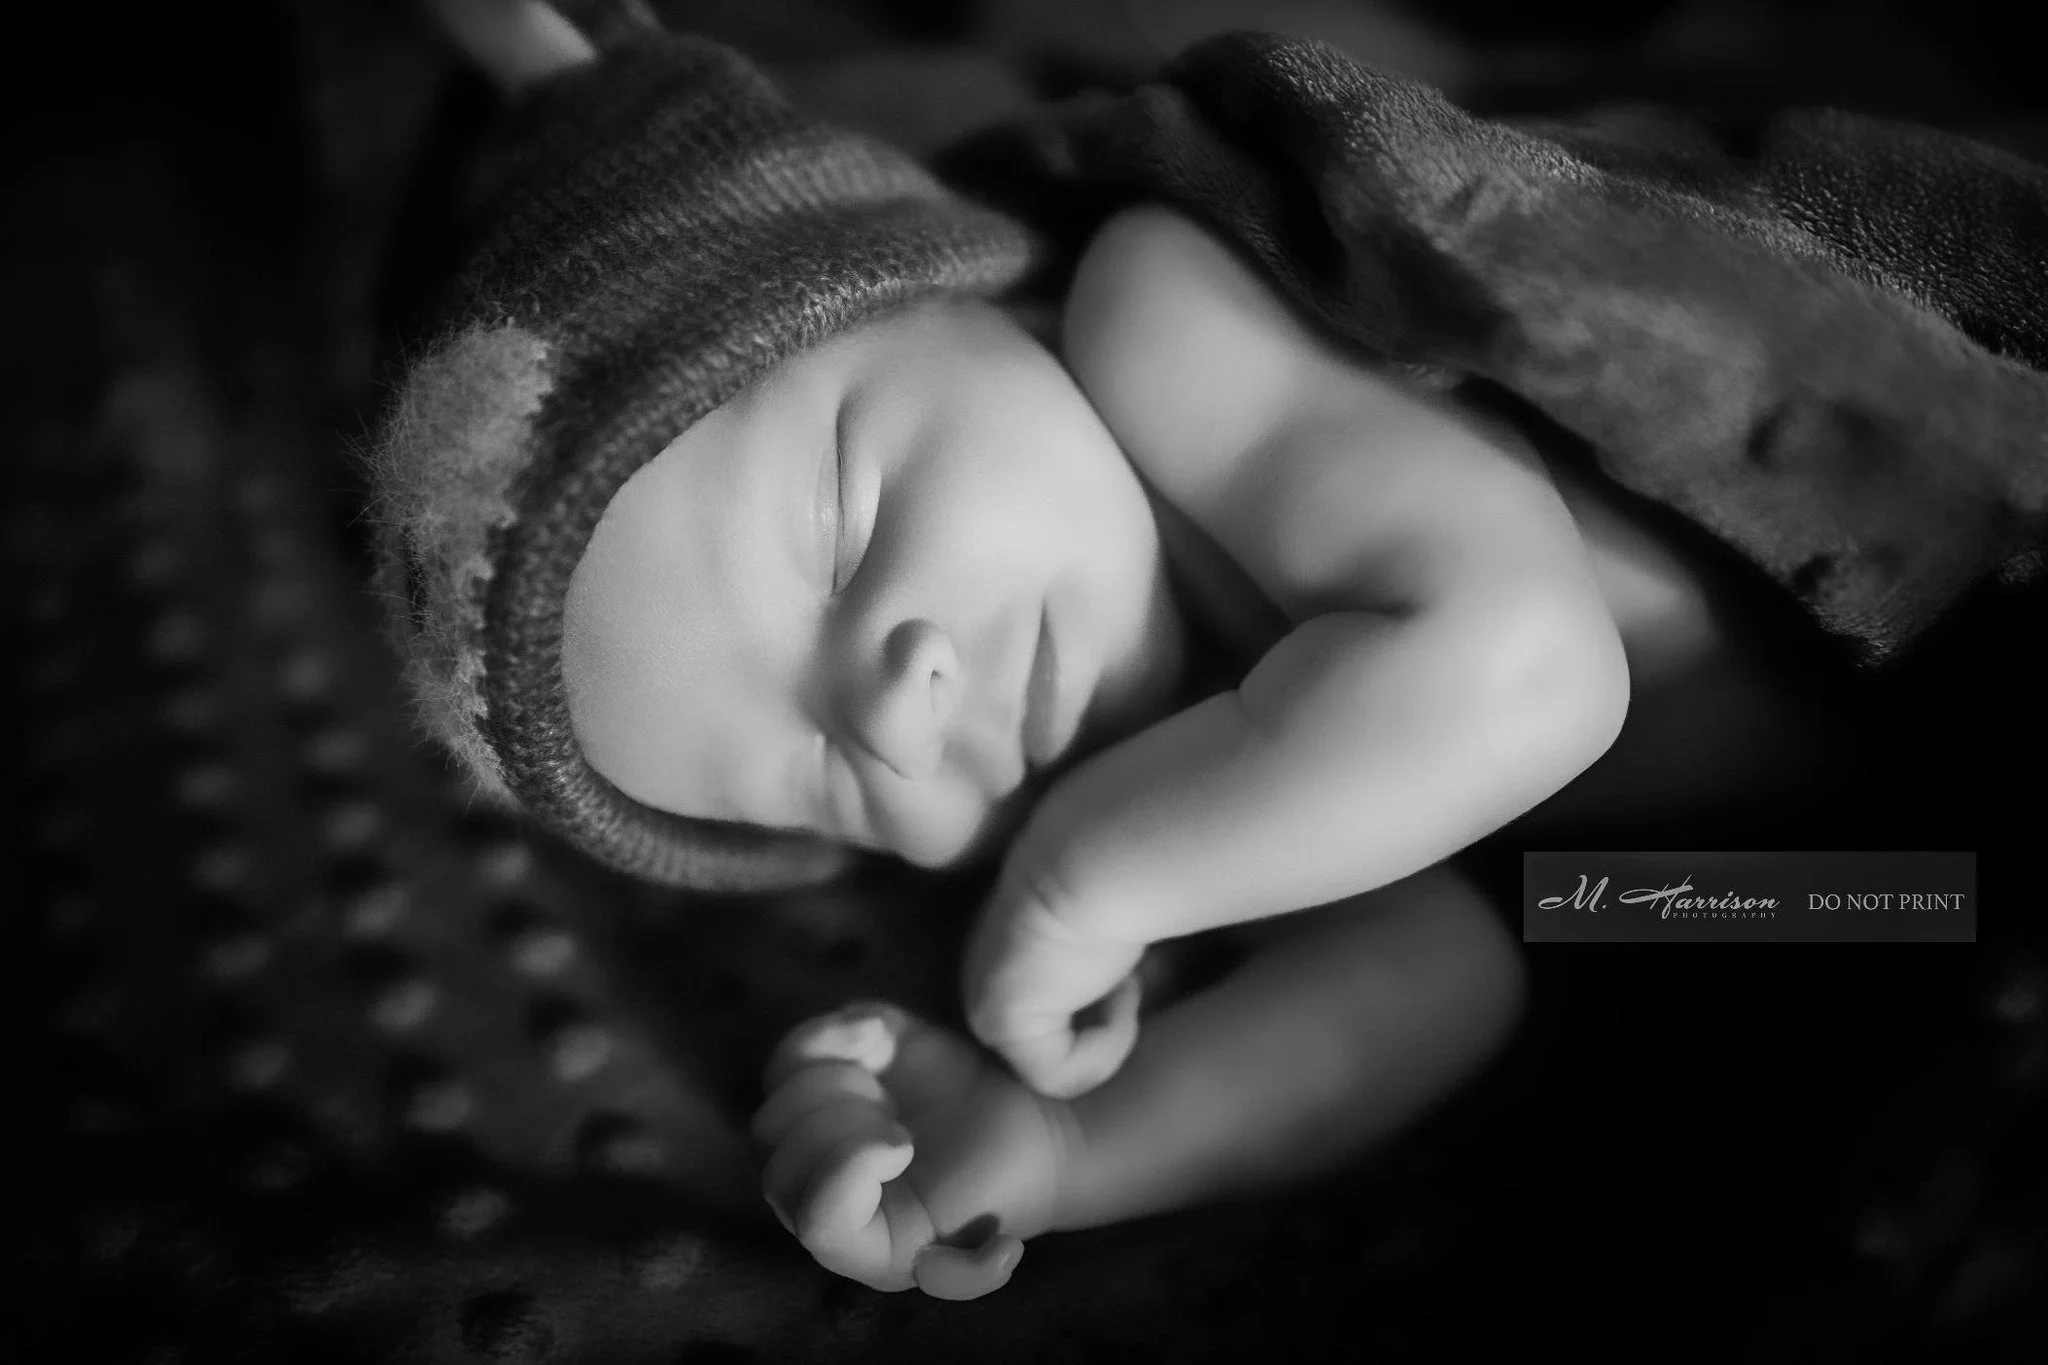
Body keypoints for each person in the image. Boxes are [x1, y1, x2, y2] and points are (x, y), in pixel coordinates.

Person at [383, 0, 1857, 1302]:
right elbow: (1448, 971)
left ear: (959, 299)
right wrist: (1073, 1140)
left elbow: (1534, 672)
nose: (898, 715)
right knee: (1838, 928)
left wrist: (1094, 878)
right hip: (1837, 845)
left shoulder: (1160, 314)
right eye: (819, 778)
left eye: (841, 527)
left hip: (1877, 533)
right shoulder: (1153, 778)